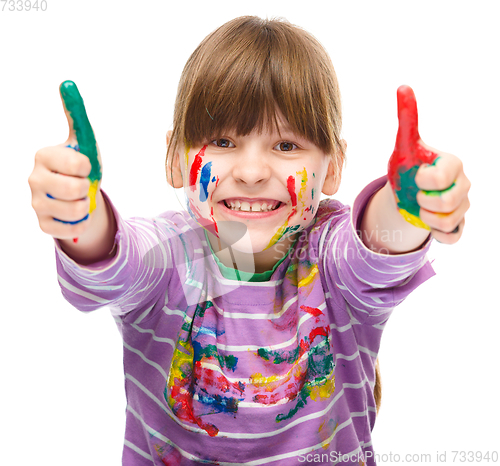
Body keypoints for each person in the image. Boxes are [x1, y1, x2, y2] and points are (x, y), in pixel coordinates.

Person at [28, 16, 470, 466]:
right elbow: (114, 264)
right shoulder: (166, 259)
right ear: (174, 160)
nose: (253, 172)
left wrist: (409, 205)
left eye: (286, 146)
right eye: (222, 141)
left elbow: (376, 250)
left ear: (333, 168)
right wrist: (81, 218)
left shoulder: (331, 263)